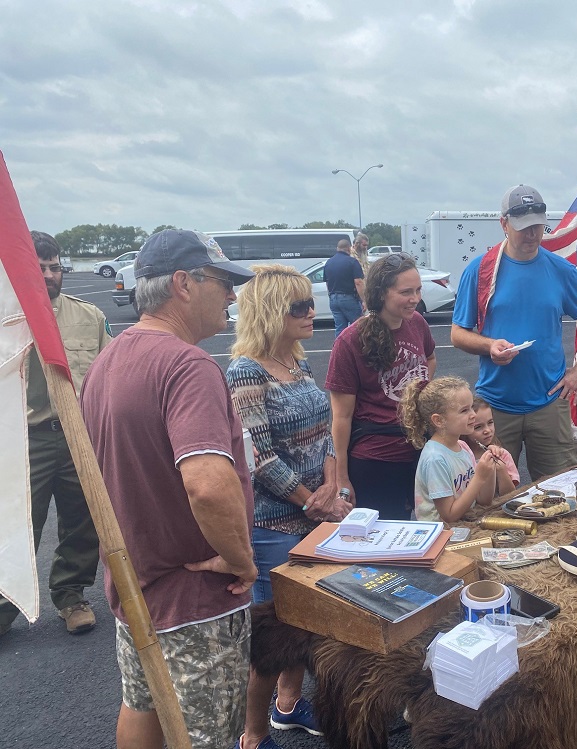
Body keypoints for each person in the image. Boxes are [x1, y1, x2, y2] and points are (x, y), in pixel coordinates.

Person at [80, 229, 258, 749]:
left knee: (142, 705)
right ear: (183, 283)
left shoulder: (110, 359)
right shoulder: (189, 366)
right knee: (207, 735)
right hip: (195, 595)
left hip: (135, 584)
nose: (232, 295)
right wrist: (242, 560)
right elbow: (206, 485)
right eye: (224, 283)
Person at [226, 265, 350, 749]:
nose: (311, 311)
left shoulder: (298, 363)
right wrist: (313, 500)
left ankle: (288, 706)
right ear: (270, 312)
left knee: (306, 619)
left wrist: (333, 485)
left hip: (316, 512)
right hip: (274, 523)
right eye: (298, 306)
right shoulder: (246, 372)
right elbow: (256, 456)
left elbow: (325, 434)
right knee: (273, 634)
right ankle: (253, 736)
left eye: (310, 302)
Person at [451, 184, 577, 481]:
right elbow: (458, 333)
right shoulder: (480, 270)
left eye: (538, 227)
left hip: (548, 402)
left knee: (561, 491)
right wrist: (490, 346)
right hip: (493, 407)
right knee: (490, 495)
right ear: (504, 224)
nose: (533, 235)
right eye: (524, 228)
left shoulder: (561, 270)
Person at [0, 231, 111, 640]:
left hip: (75, 435)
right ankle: (5, 603)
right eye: (39, 266)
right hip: (21, 438)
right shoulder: (3, 318)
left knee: (80, 520)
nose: (49, 274)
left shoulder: (88, 317)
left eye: (54, 266)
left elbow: (106, 375)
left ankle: (71, 596)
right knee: (15, 524)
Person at [326, 253, 436, 520]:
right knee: (384, 543)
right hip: (376, 460)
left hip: (420, 450)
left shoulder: (417, 323)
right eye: (405, 292)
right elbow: (341, 417)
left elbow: (430, 357)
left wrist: (417, 394)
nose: (415, 298)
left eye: (418, 290)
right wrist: (342, 478)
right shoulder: (350, 340)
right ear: (380, 293)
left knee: (431, 530)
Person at [399, 376, 498, 523]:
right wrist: (479, 477)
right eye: (464, 410)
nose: (473, 415)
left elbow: (484, 500)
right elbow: (449, 516)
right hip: (441, 535)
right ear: (439, 420)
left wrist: (490, 467)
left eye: (471, 407)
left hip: (466, 524)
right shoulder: (435, 459)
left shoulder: (462, 446)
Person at [461, 396, 520, 496]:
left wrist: (501, 469)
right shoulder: (459, 455)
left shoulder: (502, 455)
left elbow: (510, 494)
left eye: (490, 422)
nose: (487, 430)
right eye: (478, 427)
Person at [322, 238, 365, 340]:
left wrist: (331, 296)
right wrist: (364, 300)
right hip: (349, 298)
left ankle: (339, 352)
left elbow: (327, 283)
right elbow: (358, 282)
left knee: (340, 328)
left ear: (338, 248)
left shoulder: (329, 262)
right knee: (358, 327)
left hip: (333, 299)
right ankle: (358, 350)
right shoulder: (352, 262)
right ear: (349, 249)